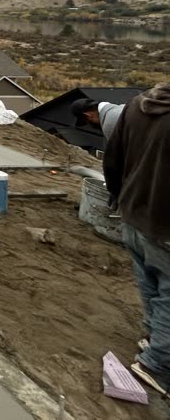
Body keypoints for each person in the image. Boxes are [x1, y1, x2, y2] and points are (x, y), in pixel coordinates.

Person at [103, 83, 170, 394]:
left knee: (151, 285)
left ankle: (156, 339)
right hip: (163, 225)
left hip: (133, 214)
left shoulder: (136, 106)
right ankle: (158, 364)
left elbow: (112, 158)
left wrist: (117, 197)